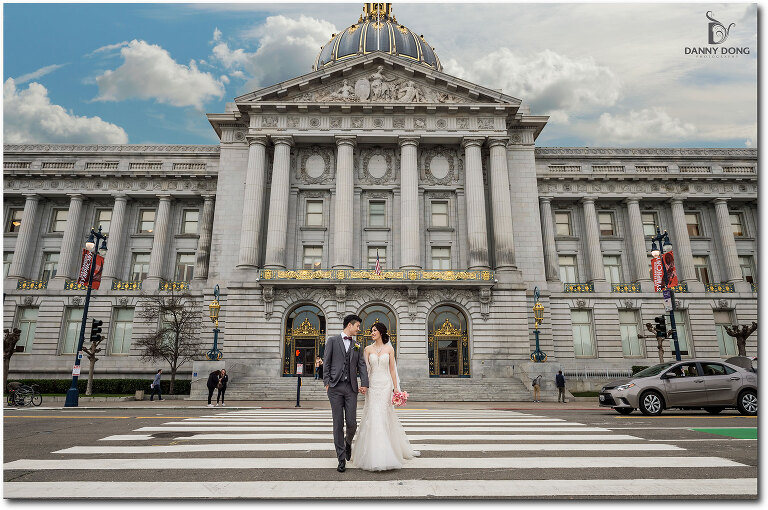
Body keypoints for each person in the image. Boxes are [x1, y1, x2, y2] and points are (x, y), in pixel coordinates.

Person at [351, 322, 420, 471]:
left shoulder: (389, 349)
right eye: (371, 330)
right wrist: (363, 384)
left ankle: (386, 453)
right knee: (373, 415)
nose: (372, 333)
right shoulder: (367, 349)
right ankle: (372, 454)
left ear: (381, 332)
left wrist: (396, 388)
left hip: (385, 385)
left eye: (374, 330)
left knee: (383, 416)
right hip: (372, 385)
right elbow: (365, 370)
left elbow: (392, 370)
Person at [323, 314, 369, 473]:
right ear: (350, 325)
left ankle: (348, 441)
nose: (359, 329)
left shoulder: (357, 345)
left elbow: (361, 365)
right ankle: (341, 458)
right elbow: (326, 362)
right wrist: (327, 382)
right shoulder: (332, 341)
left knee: (351, 422)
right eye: (357, 326)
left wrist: (364, 383)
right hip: (335, 387)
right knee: (337, 423)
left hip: (351, 388)